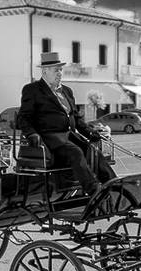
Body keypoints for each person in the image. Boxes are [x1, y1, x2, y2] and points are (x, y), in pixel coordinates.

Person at [16, 51, 114, 195]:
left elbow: (76, 118)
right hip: (50, 139)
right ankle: (93, 189)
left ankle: (112, 184)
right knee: (76, 153)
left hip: (69, 137)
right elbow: (23, 118)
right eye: (56, 70)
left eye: (61, 69)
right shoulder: (32, 90)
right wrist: (31, 134)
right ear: (44, 71)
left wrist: (91, 132)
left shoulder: (67, 91)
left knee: (93, 151)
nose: (60, 73)